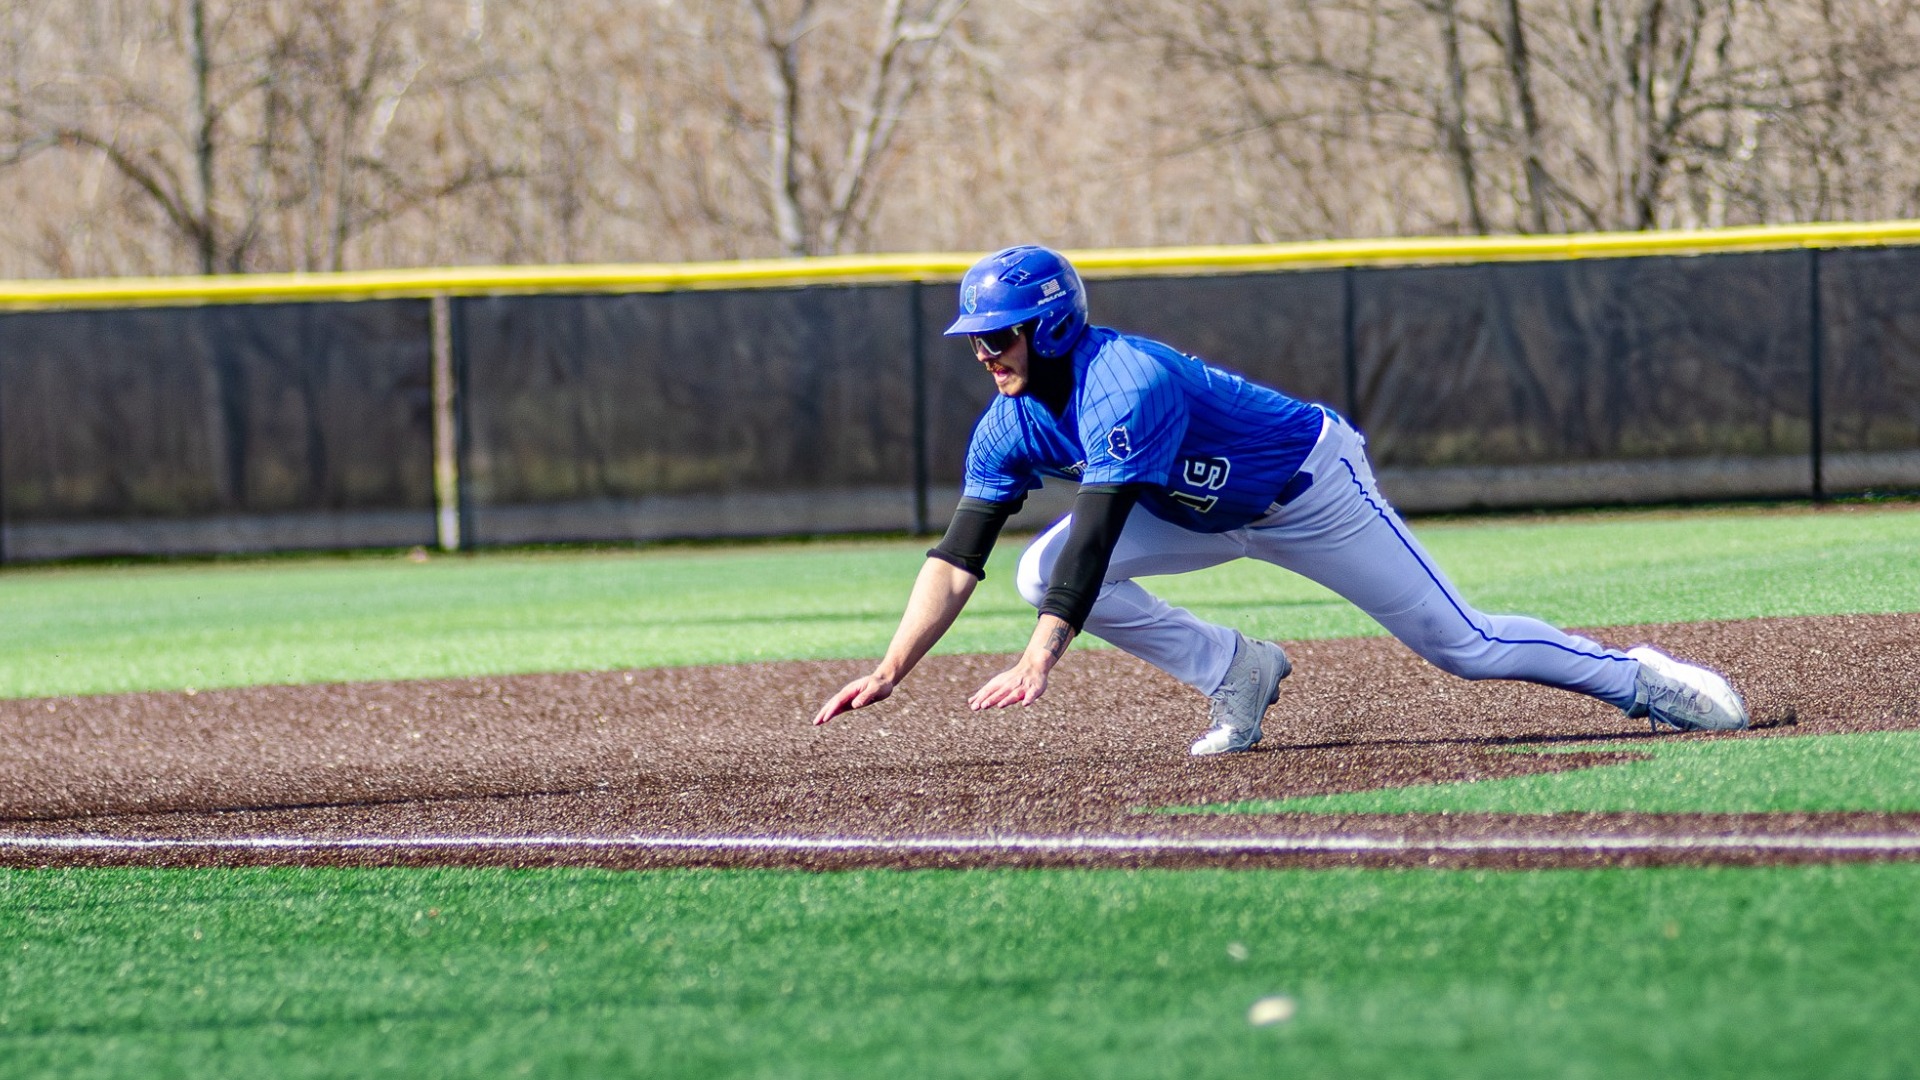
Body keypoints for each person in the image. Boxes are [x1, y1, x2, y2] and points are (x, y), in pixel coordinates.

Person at [811, 244, 1749, 754]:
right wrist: (895, 668)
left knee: (1463, 646)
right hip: (1194, 512)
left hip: (1311, 493)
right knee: (1033, 569)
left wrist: (1038, 661)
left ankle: (1638, 681)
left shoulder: (1123, 381)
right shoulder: (1008, 422)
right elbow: (955, 555)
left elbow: (1099, 532)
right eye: (975, 338)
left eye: (999, 333)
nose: (984, 351)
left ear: (1051, 323)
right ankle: (1235, 668)